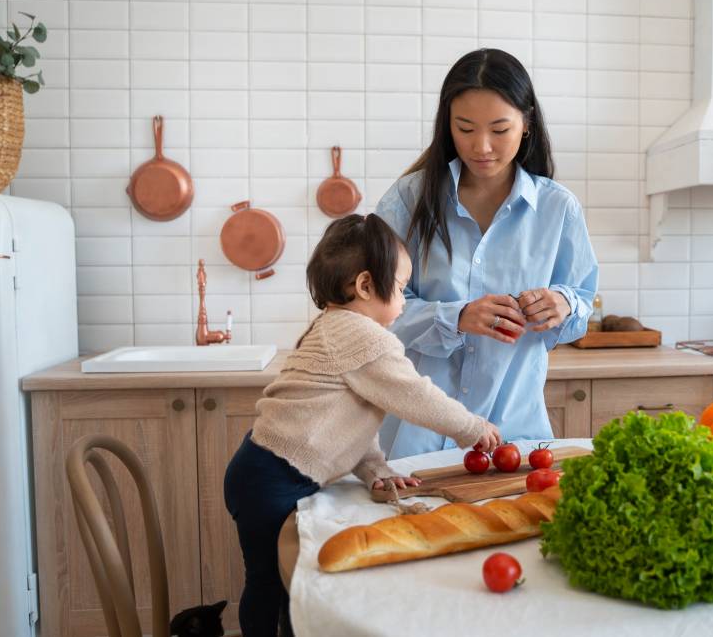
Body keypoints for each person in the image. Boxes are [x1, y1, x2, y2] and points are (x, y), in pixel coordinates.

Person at [223, 213, 501, 637]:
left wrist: (375, 469)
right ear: (367, 286)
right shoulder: (363, 336)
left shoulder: (336, 327)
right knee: (269, 582)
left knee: (282, 583)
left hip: (265, 470)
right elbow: (414, 394)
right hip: (272, 476)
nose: (407, 299)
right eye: (402, 287)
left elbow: (353, 422)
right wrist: (471, 428)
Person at [376, 48, 598, 459]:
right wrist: (455, 317)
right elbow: (371, 313)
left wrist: (562, 304)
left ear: (527, 123)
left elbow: (582, 302)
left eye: (500, 130)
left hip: (515, 436)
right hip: (417, 437)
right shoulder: (407, 201)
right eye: (465, 128)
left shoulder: (558, 209)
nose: (482, 147)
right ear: (447, 124)